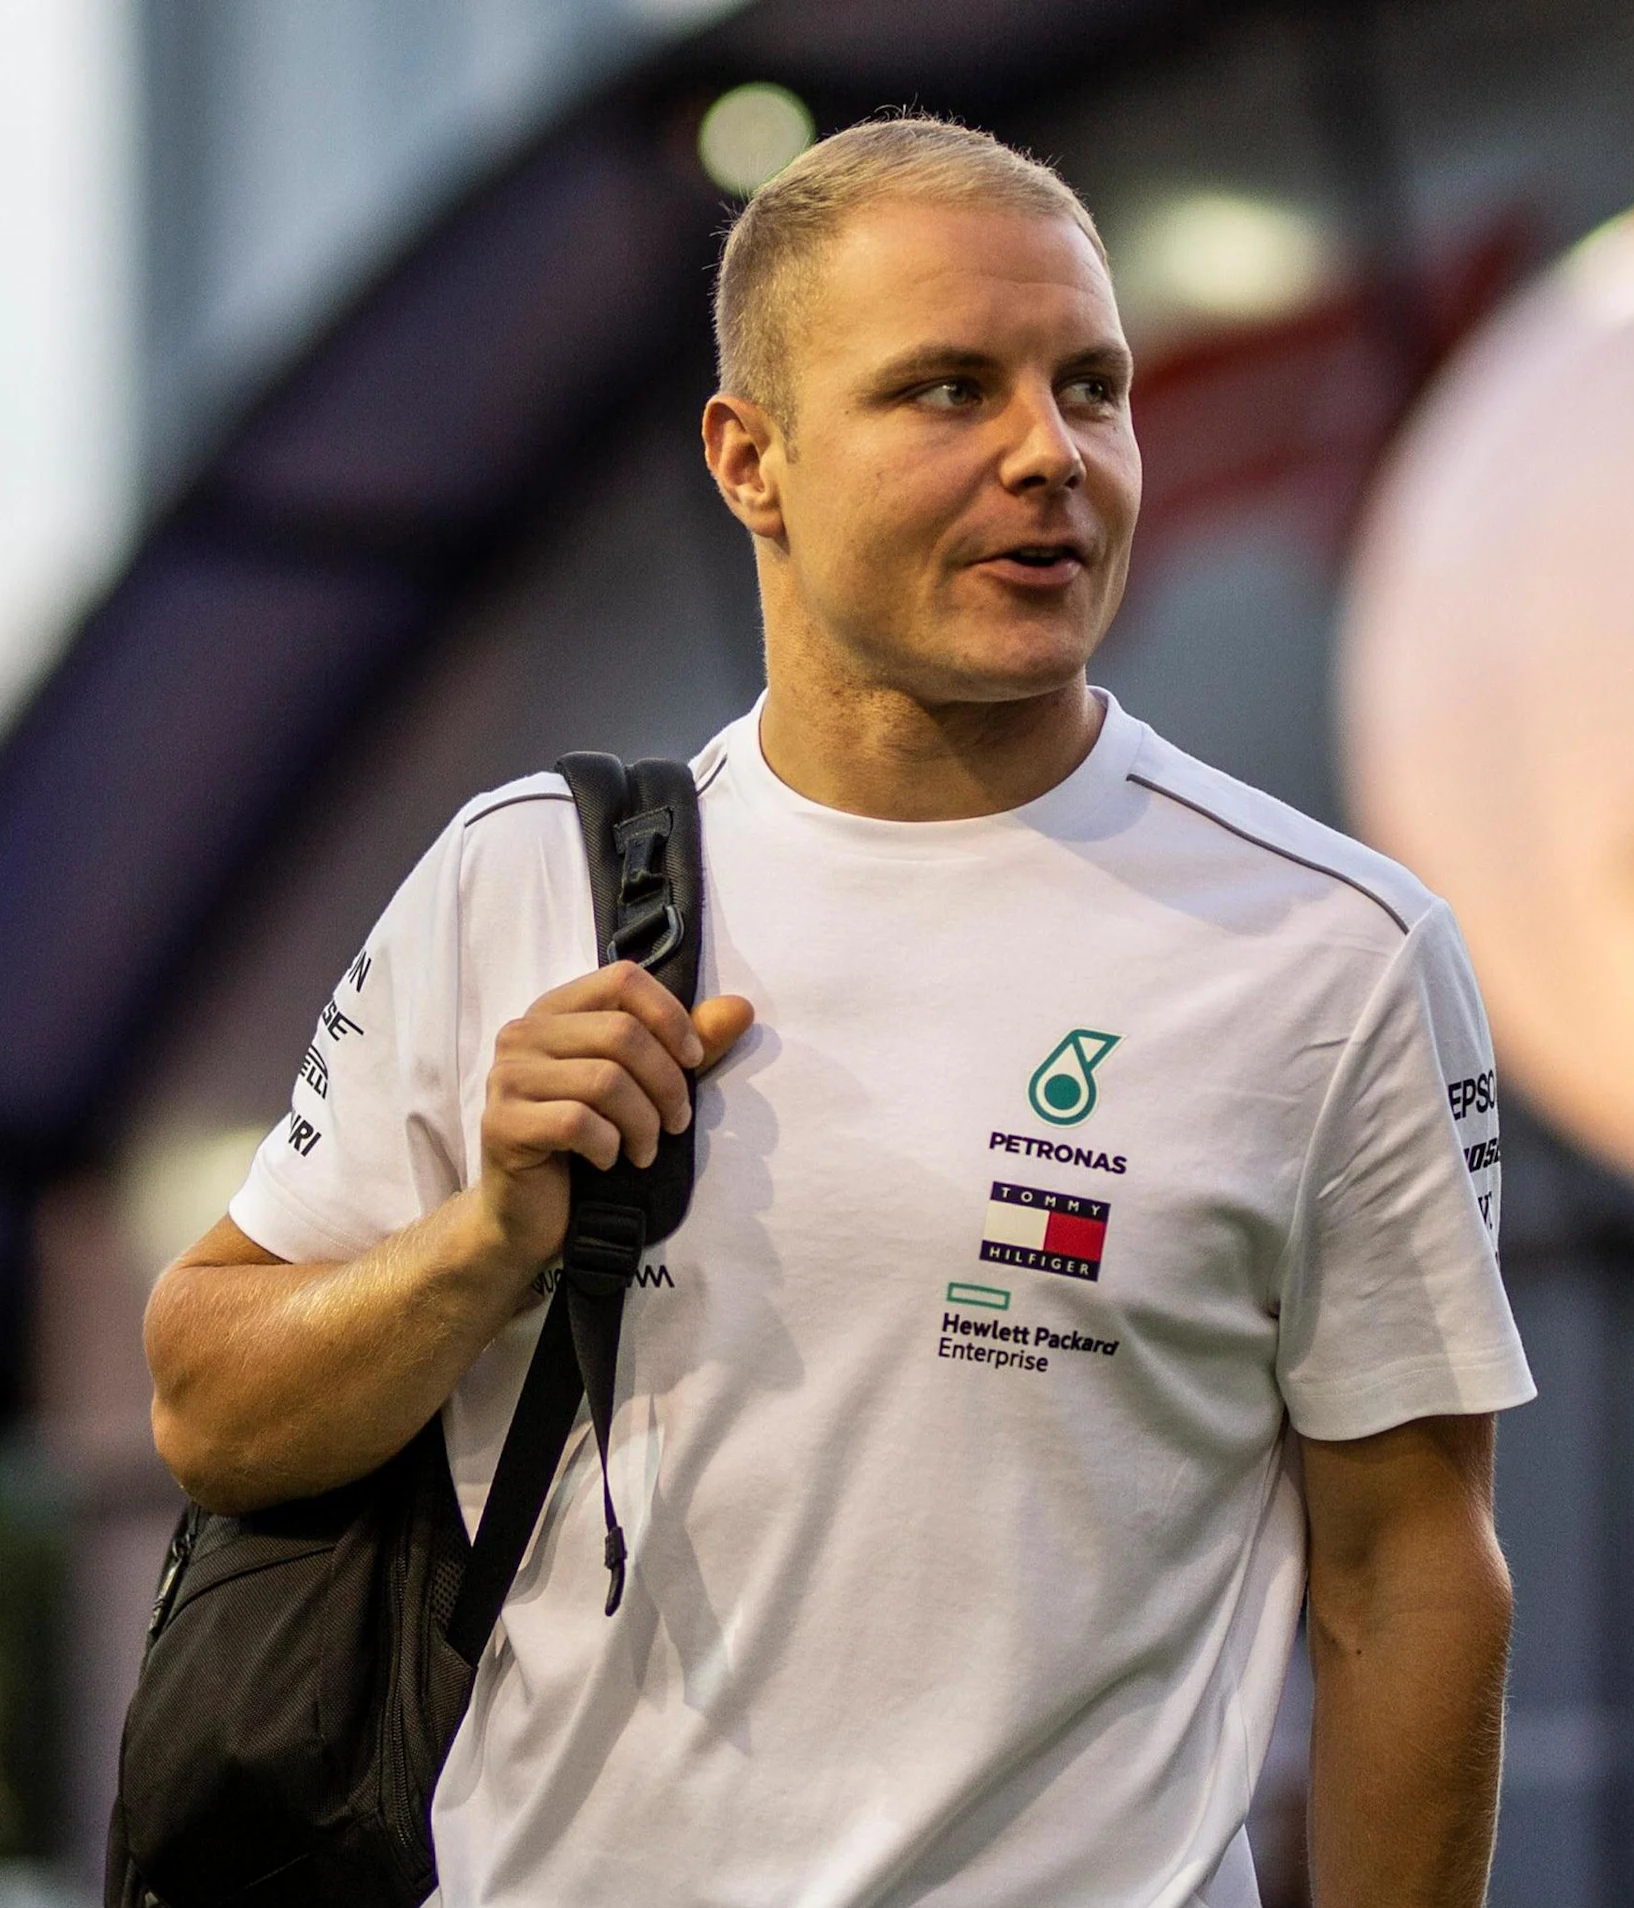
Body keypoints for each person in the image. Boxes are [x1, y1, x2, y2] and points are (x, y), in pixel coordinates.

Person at [140, 116, 1528, 1908]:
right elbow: (209, 1407)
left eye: (1092, 388)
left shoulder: (1335, 953)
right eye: (950, 390)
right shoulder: (524, 878)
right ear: (752, 460)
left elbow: (1408, 1580)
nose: (1051, 454)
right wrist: (484, 1243)